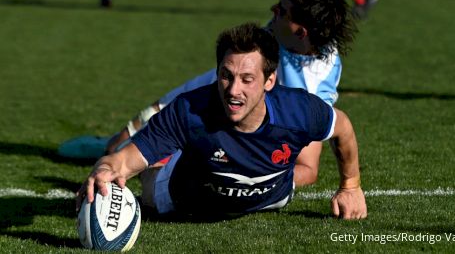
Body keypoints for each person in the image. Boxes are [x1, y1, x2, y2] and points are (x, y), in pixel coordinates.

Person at [59, 0, 358, 189]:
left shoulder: (313, 83)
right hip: (208, 86)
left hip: (228, 107)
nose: (272, 10)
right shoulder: (294, 28)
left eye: (281, 10)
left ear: (300, 32)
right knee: (117, 148)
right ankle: (108, 144)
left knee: (159, 164)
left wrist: (253, 183)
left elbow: (308, 167)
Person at [76, 22, 367, 220]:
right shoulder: (189, 111)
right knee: (147, 178)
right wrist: (106, 167)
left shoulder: (298, 110)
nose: (233, 89)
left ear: (269, 81)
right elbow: (124, 160)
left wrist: (351, 186)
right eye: (226, 75)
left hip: (271, 197)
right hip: (182, 199)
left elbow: (342, 127)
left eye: (247, 79)